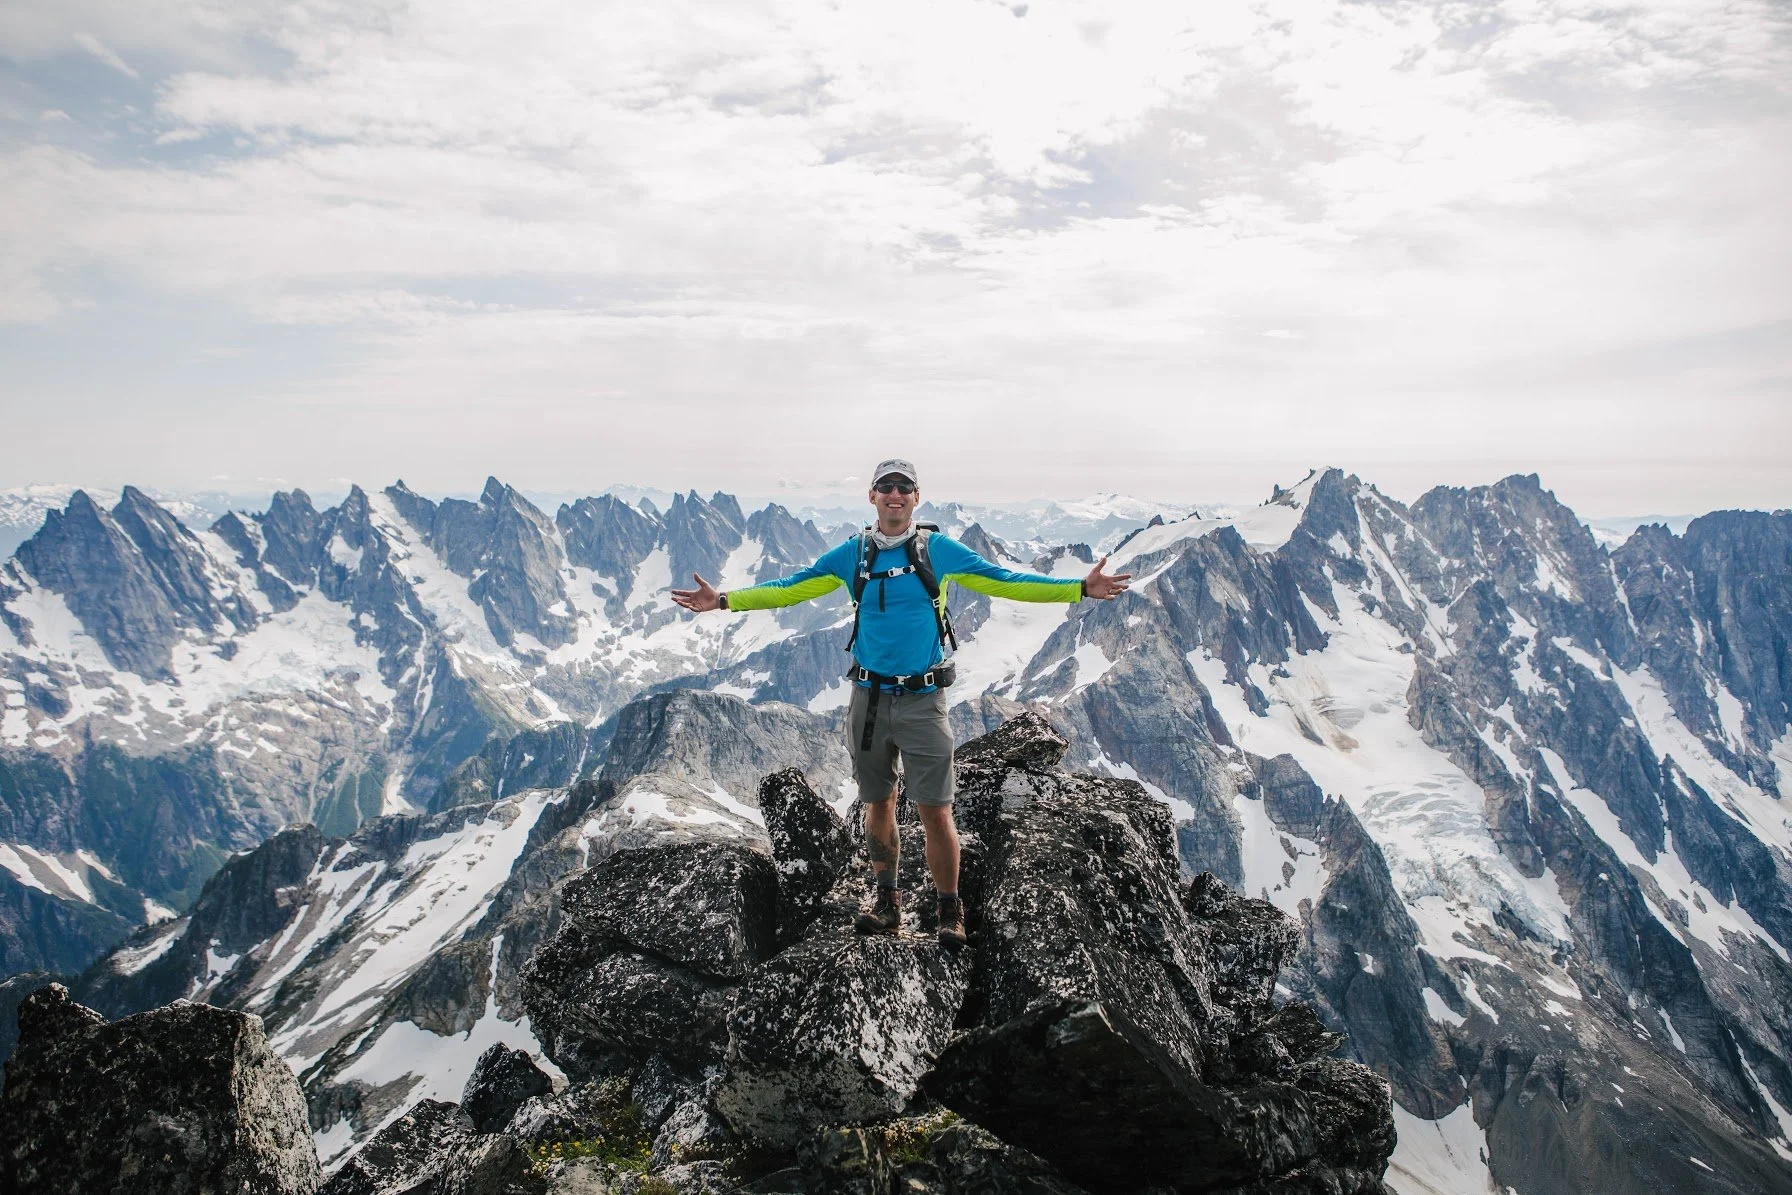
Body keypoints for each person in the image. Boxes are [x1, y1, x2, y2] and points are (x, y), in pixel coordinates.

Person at [671, 458, 1131, 949]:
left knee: (935, 810)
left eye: (904, 487)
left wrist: (1080, 589)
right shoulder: (853, 555)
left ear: (916, 497)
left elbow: (1005, 580)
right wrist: (723, 601)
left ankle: (950, 908)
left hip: (923, 700)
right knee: (879, 803)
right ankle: (887, 902)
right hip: (868, 700)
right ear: (872, 496)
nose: (895, 495)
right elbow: (790, 589)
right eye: (886, 487)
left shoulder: (939, 552)